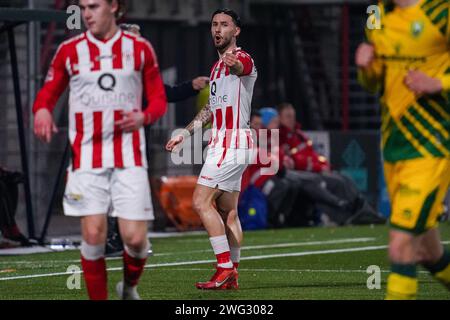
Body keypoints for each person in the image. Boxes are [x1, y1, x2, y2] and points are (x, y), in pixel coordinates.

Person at [33, 0, 167, 300]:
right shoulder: (69, 50)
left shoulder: (140, 48)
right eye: (82, 7)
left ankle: (129, 287)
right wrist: (41, 110)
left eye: (93, 6)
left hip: (129, 157)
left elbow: (158, 98)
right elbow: (48, 92)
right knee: (93, 235)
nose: (86, 13)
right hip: (86, 159)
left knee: (134, 240)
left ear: (114, 6)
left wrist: (144, 117)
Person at [356, 0, 450, 299]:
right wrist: (367, 68)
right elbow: (374, 84)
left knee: (400, 244)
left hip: (432, 145)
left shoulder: (441, 11)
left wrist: (440, 83)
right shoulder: (379, 14)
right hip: (395, 147)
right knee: (427, 252)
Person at [166, 8, 257, 290]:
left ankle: (223, 268)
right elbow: (210, 109)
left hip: (232, 141)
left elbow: (242, 66)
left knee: (200, 201)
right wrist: (185, 133)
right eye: (215, 25)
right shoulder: (216, 68)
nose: (218, 29)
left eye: (225, 25)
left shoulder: (241, 58)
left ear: (236, 31)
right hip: (226, 142)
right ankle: (234, 272)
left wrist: (234, 61)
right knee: (228, 211)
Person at [104, 23, 209, 257]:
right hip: (117, 139)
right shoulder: (111, 69)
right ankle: (113, 239)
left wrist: (191, 87)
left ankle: (124, 240)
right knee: (118, 189)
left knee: (131, 190)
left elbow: (163, 94)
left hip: (138, 139)